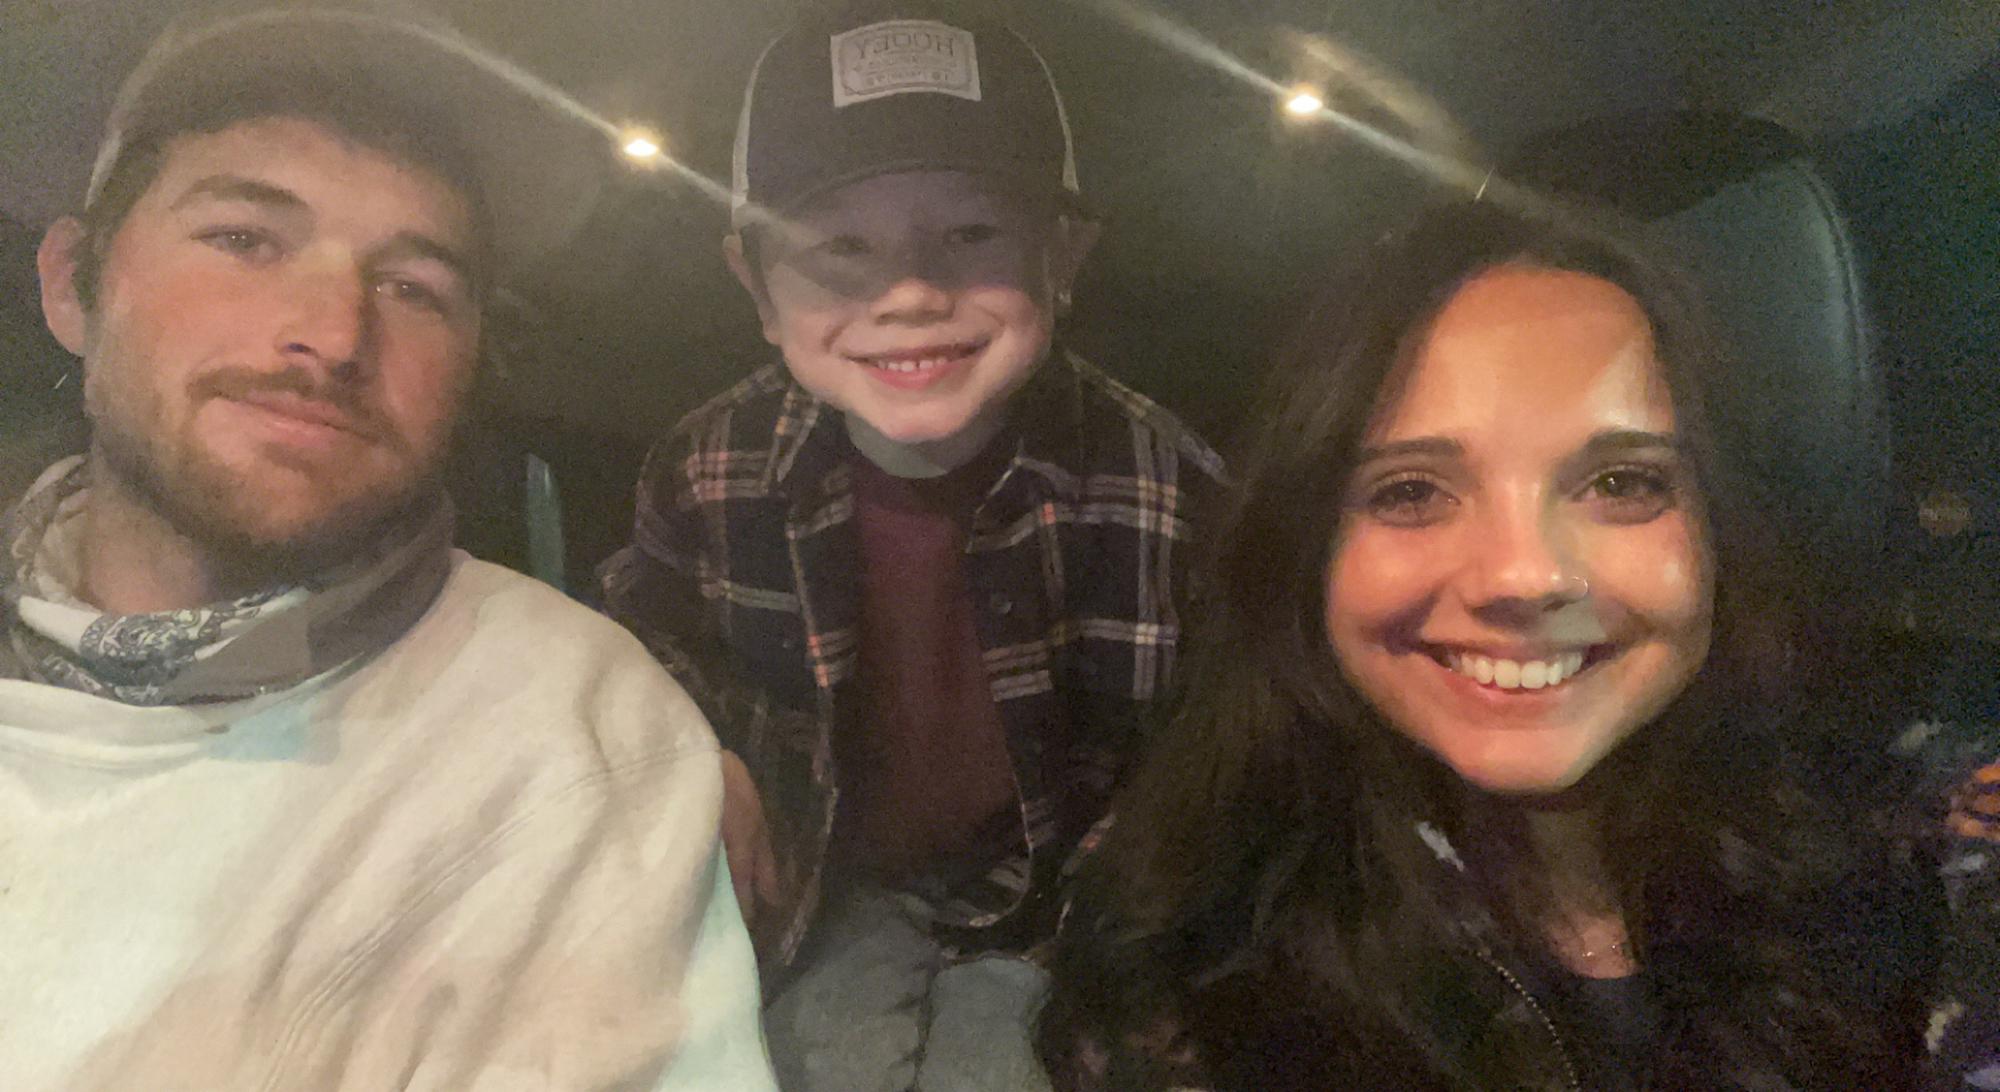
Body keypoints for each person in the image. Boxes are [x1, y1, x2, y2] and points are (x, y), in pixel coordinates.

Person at [1036, 200, 2000, 1090]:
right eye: (1411, 491)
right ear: (1307, 550)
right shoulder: (1188, 971)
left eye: (1621, 483)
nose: (1525, 576)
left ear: (1720, 529)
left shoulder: (1928, 859)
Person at [0, 8, 775, 1089]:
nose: (331, 333)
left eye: (416, 288)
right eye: (243, 239)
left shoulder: (570, 735)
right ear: (69, 282)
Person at [599, 1, 1228, 1087]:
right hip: (823, 886)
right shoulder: (707, 466)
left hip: (1066, 909)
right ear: (756, 286)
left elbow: (1214, 746)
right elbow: (634, 643)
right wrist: (686, 751)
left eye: (972, 235)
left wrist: (1127, 946)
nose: (910, 294)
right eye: (841, 245)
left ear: (1062, 256)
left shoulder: (1166, 482)